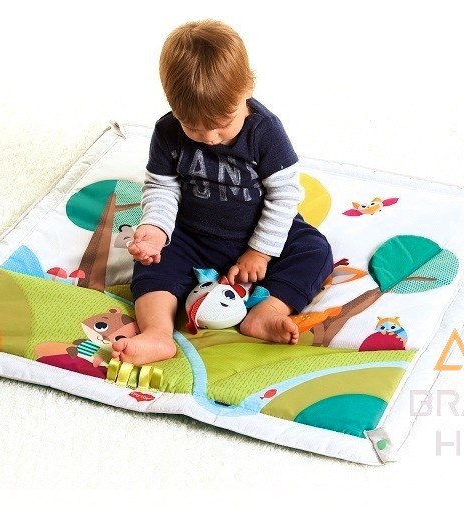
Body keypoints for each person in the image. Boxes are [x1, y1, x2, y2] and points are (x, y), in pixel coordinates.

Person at [112, 19, 333, 365]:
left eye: (223, 124)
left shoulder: (265, 132)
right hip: (191, 235)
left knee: (314, 250)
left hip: (255, 234)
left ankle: (268, 311)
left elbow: (284, 196)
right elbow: (162, 187)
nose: (210, 139)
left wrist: (260, 252)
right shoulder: (167, 131)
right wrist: (155, 230)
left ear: (248, 88)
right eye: (193, 128)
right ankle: (157, 333)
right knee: (152, 265)